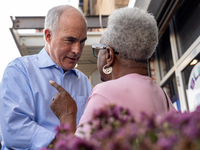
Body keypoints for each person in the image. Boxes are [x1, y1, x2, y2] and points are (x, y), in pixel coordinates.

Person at [50, 6, 176, 139]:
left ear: (109, 55)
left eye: (99, 50)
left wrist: (67, 117)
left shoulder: (104, 92)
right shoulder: (161, 95)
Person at [0, 5, 92, 149]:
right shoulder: (20, 70)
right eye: (70, 40)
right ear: (48, 36)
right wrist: (65, 144)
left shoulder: (84, 81)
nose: (77, 50)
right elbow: (15, 131)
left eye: (82, 41)